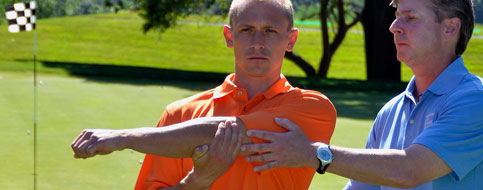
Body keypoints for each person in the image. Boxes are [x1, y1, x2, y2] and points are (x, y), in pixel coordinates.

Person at [241, 0, 483, 189]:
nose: (394, 26)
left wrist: (313, 154)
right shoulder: (391, 110)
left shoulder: (478, 101)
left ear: (450, 28)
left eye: (411, 17)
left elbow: (410, 170)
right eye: (397, 15)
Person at [70, 0, 337, 189]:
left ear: (291, 40)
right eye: (246, 30)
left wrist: (123, 137)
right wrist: (197, 182)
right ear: (228, 35)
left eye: (270, 31)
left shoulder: (313, 108)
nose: (258, 42)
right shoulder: (179, 114)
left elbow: (226, 131)